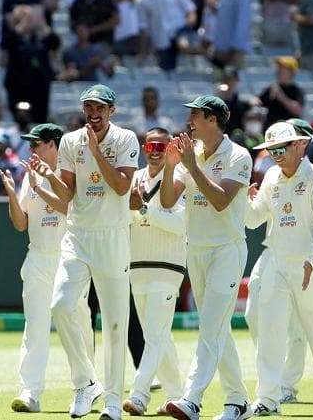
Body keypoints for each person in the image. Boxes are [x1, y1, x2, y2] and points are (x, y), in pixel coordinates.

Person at [41, 84, 138, 420]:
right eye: (88, 108)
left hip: (112, 237)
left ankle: (112, 403)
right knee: (60, 306)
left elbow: (123, 186)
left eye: (100, 108)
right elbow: (67, 194)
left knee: (114, 325)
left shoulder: (126, 139)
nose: (93, 114)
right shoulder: (69, 141)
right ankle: (86, 383)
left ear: (111, 110)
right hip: (78, 236)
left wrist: (96, 151)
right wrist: (48, 178)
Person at [160, 95, 253, 420]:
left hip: (227, 249)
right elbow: (169, 200)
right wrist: (171, 166)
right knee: (218, 328)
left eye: (196, 115)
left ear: (213, 120)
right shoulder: (193, 154)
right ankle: (238, 402)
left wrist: (190, 166)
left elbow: (221, 200)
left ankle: (192, 399)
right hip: (195, 249)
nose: (190, 122)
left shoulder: (239, 155)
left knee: (210, 326)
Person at [246, 122, 313, 416]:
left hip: (308, 264)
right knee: (270, 329)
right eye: (271, 150)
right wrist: (243, 200)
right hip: (277, 260)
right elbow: (254, 220)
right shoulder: (271, 177)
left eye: (281, 148)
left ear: (299, 145)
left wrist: (312, 261)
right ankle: (267, 397)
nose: (275, 155)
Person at [2, 123, 93, 413]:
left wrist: (41, 184)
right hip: (38, 257)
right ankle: (30, 392)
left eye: (36, 144)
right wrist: (10, 195)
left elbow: (70, 208)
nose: (31, 150)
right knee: (35, 326)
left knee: (79, 323)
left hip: (70, 258)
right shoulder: (28, 177)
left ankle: (88, 385)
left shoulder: (73, 172)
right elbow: (20, 224)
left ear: (53, 145)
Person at [122, 127, 186, 416]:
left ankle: (139, 396)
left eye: (161, 146)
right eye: (151, 147)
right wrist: (134, 210)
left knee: (154, 336)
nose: (156, 151)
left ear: (170, 147)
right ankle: (178, 397)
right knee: (158, 335)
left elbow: (181, 225)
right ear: (144, 149)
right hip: (138, 266)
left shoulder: (181, 175)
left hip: (167, 266)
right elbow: (123, 218)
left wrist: (145, 210)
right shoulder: (135, 177)